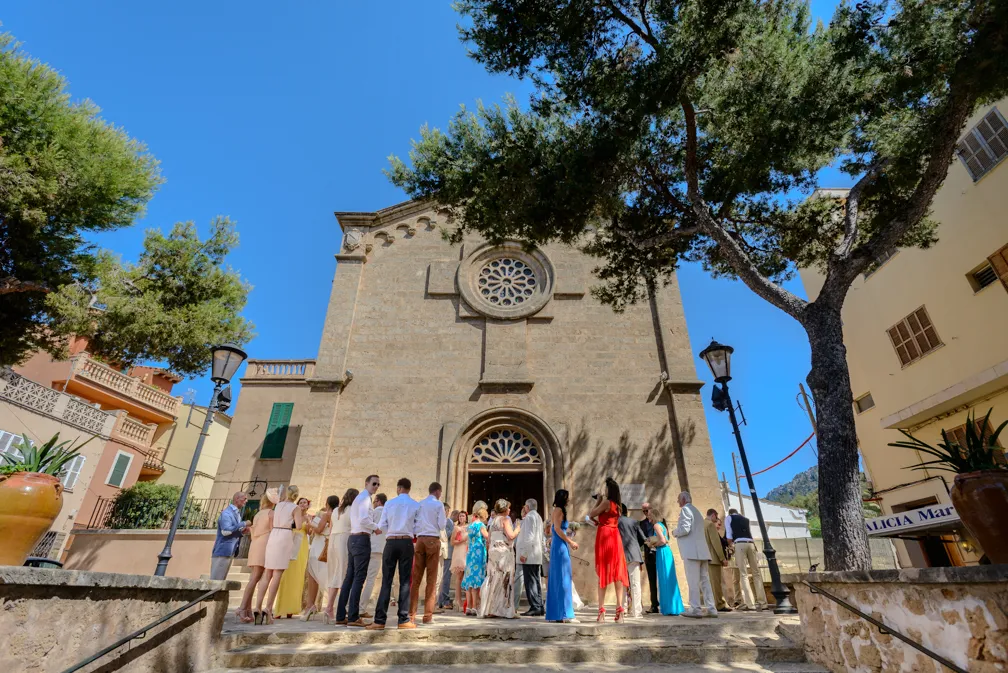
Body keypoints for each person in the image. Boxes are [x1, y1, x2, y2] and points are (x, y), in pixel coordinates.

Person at [367, 477, 420, 631]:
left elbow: (382, 525)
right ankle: (403, 619)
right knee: (404, 581)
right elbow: (417, 527)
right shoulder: (415, 505)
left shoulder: (389, 503)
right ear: (409, 489)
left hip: (391, 542)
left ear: (398, 488)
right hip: (406, 542)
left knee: (386, 580)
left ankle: (379, 620)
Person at [335, 474, 381, 627]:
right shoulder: (365, 498)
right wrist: (376, 527)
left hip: (354, 539)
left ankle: (341, 615)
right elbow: (364, 520)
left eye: (378, 485)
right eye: (374, 483)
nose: (376, 487)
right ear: (366, 483)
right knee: (358, 578)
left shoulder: (360, 498)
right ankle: (353, 617)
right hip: (361, 539)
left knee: (349, 578)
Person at [257, 485, 306, 624]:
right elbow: (298, 526)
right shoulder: (295, 508)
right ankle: (268, 608)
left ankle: (257, 607)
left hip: (274, 535)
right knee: (277, 574)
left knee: (267, 573)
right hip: (285, 536)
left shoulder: (277, 505)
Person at [588, 477, 629, 623]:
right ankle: (620, 610)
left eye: (605, 488)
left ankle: (602, 611)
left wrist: (598, 500)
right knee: (617, 573)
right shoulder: (617, 505)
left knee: (604, 573)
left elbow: (591, 514)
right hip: (615, 536)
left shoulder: (606, 502)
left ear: (608, 490)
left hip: (605, 536)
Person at [671, 492, 716, 618]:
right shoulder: (696, 511)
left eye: (678, 499)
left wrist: (675, 532)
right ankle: (711, 608)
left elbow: (685, 529)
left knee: (693, 581)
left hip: (692, 552)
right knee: (705, 581)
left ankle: (695, 608)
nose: (677, 501)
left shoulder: (685, 510)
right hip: (702, 551)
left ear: (684, 500)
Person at [409, 482, 448, 624]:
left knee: (416, 578)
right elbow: (442, 525)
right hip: (432, 539)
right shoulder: (438, 505)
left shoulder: (420, 504)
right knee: (431, 579)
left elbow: (415, 523)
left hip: (419, 540)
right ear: (438, 491)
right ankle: (427, 616)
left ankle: (411, 614)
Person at [236, 490, 273, 624]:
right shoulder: (270, 513)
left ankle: (246, 609)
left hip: (256, 544)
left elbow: (253, 531)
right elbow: (272, 530)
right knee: (256, 577)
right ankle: (242, 608)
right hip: (264, 544)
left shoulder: (258, 514)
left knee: (254, 577)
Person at [479, 499, 520, 619]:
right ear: (504, 509)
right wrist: (517, 528)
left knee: (493, 580)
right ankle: (506, 610)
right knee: (505, 580)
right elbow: (511, 535)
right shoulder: (505, 519)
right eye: (508, 508)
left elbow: (489, 539)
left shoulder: (493, 522)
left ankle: (491, 609)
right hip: (503, 553)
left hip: (493, 552)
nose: (509, 510)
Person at [322, 488, 357, 623]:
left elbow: (331, 527)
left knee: (334, 573)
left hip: (333, 540)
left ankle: (329, 607)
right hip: (344, 539)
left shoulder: (336, 510)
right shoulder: (352, 509)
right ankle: (340, 607)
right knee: (344, 573)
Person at [545, 489, 579, 623]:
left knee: (559, 578)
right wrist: (570, 541)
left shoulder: (557, 510)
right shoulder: (559, 510)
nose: (569, 499)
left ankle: (558, 613)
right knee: (563, 578)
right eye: (567, 497)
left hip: (558, 545)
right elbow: (558, 529)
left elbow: (555, 529)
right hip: (560, 547)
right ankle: (565, 613)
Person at [274, 497, 311, 618]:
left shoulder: (309, 517)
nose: (302, 504)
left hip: (302, 546)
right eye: (300, 502)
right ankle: (280, 609)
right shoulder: (293, 514)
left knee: (298, 576)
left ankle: (291, 609)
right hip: (291, 542)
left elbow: (310, 532)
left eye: (304, 503)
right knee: (286, 575)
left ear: (307, 505)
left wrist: (310, 523)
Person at [302, 494, 336, 621]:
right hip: (325, 544)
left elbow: (319, 530)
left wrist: (310, 523)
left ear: (327, 503)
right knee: (319, 573)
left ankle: (310, 605)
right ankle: (314, 606)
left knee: (313, 574)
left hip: (319, 545)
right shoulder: (337, 515)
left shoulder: (327, 514)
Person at [644, 507, 684, 615]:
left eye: (649, 515)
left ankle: (669, 608)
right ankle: (674, 607)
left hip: (662, 552)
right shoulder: (662, 525)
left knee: (665, 580)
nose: (648, 517)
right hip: (667, 552)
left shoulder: (656, 525)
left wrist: (653, 544)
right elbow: (666, 539)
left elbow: (663, 540)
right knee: (670, 579)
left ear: (653, 515)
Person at [725, 507, 766, 611]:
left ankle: (750, 603)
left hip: (739, 544)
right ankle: (762, 603)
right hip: (751, 544)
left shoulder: (729, 518)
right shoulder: (746, 519)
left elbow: (729, 536)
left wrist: (731, 546)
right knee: (756, 573)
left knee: (743, 574)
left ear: (730, 513)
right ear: (738, 513)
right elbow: (750, 534)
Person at [514, 498, 544, 616]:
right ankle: (539, 605)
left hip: (530, 555)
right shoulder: (538, 517)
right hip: (536, 554)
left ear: (527, 507)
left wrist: (524, 553)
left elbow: (529, 536)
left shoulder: (530, 517)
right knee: (536, 581)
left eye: (525, 506)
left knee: (530, 582)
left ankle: (535, 606)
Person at [211, 491, 250, 581]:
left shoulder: (236, 513)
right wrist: (243, 524)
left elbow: (232, 531)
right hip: (223, 551)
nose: (246, 501)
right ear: (237, 499)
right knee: (216, 580)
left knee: (221, 580)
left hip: (230, 551)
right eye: (245, 498)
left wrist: (242, 532)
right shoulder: (227, 513)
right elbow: (225, 531)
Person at [617, 503, 647, 619]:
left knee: (622, 584)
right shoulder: (634, 522)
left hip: (621, 555)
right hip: (634, 555)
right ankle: (636, 611)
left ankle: (623, 608)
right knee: (635, 584)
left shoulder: (616, 522)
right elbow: (643, 538)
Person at [360, 492, 388, 617]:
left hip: (369, 546)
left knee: (361, 577)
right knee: (370, 579)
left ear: (378, 501)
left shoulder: (376, 511)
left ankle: (357, 607)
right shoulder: (387, 513)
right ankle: (361, 608)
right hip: (379, 548)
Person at [462, 500, 489, 616]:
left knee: (469, 579)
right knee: (476, 580)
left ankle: (468, 606)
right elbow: (487, 537)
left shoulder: (471, 525)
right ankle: (474, 607)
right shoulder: (481, 525)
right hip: (478, 554)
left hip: (470, 553)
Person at [704, 509, 731, 612]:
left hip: (704, 557)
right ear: (714, 515)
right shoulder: (710, 525)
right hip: (713, 558)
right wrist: (722, 558)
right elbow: (716, 543)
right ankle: (719, 604)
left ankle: (711, 603)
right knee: (716, 583)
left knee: (708, 583)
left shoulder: (701, 524)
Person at [639, 502, 660, 614]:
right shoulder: (642, 523)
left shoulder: (661, 521)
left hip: (660, 553)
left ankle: (667, 603)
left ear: (652, 509)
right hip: (649, 554)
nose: (646, 513)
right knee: (652, 580)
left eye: (647, 510)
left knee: (663, 579)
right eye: (644, 511)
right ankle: (654, 605)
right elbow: (640, 540)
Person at [449, 510, 469, 612]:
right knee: (459, 576)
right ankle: (458, 600)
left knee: (467, 575)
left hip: (467, 551)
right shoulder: (456, 528)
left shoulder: (469, 527)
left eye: (463, 516)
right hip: (459, 552)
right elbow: (452, 542)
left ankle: (467, 601)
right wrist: (462, 540)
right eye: (460, 516)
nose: (461, 518)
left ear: (466, 517)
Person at [437, 505, 456, 610]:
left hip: (443, 551)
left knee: (442, 577)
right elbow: (446, 535)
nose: (448, 512)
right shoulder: (447, 522)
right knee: (445, 577)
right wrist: (454, 530)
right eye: (447, 510)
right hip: (446, 552)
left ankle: (440, 600)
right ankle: (444, 600)